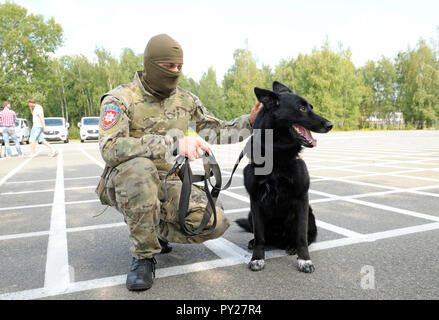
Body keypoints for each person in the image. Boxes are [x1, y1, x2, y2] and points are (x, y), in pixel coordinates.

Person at [96, 34, 262, 291]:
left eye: (179, 67)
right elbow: (110, 147)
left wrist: (249, 122)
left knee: (213, 222)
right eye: (168, 66)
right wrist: (172, 143)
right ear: (151, 64)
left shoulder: (185, 100)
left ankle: (154, 230)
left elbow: (215, 130)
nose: (174, 72)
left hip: (169, 181)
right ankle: (144, 256)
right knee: (141, 169)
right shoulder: (121, 98)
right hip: (129, 182)